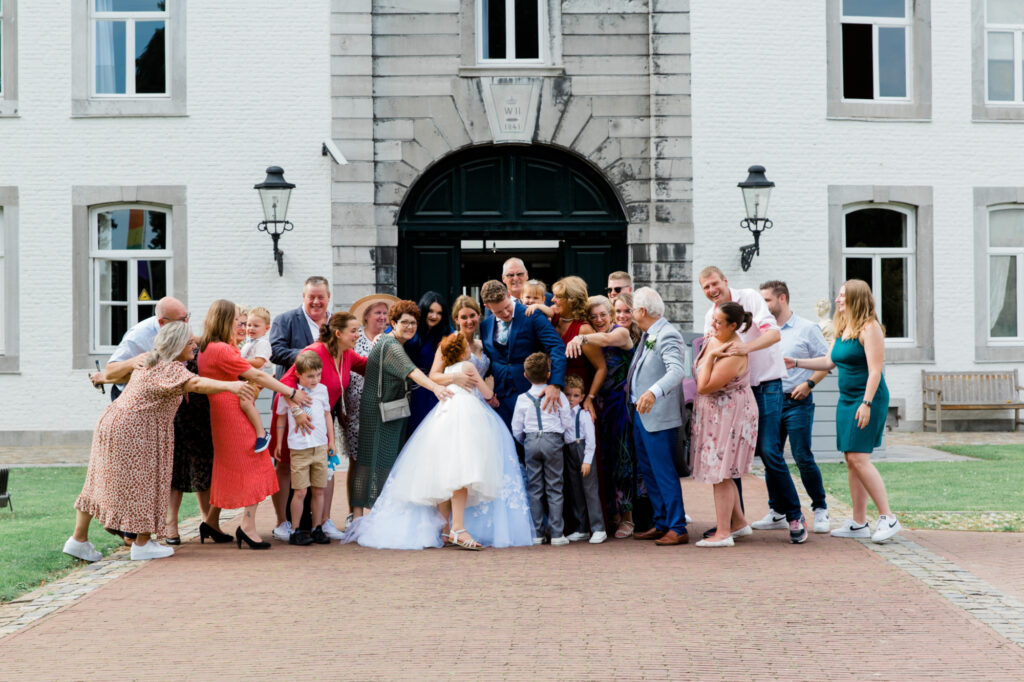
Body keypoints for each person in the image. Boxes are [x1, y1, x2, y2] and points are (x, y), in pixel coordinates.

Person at [64, 322, 256, 563]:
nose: (194, 346)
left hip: (112, 422)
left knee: (97, 480)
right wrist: (232, 385)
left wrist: (102, 377)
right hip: (138, 429)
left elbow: (120, 374)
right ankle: (143, 544)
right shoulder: (170, 368)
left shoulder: (149, 360)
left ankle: (78, 540)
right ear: (176, 347)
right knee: (147, 482)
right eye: (189, 343)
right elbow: (196, 384)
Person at [352, 333, 534, 550]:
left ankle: (445, 528)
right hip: (467, 417)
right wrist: (489, 393)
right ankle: (458, 528)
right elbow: (486, 393)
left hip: (443, 416)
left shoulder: (447, 370)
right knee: (463, 470)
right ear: (462, 351)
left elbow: (436, 378)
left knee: (445, 471)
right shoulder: (467, 367)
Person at [699, 266, 807, 544]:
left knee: (770, 451)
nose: (711, 290)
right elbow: (709, 351)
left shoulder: (750, 298)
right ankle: (737, 522)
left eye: (714, 284)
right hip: (734, 391)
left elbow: (774, 335)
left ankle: (795, 515)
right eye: (705, 287)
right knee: (729, 457)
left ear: (725, 281)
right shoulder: (710, 316)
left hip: (766, 385)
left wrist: (745, 348)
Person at [786, 279, 900, 544]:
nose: (837, 300)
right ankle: (858, 522)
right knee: (851, 460)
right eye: (838, 296)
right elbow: (829, 361)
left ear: (856, 300)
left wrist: (867, 403)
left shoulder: (869, 329)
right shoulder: (843, 327)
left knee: (860, 459)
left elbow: (875, 371)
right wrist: (797, 362)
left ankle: (888, 517)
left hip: (867, 399)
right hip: (847, 399)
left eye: (842, 297)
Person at [198, 300, 313, 549]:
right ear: (225, 320)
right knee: (257, 465)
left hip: (222, 412)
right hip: (233, 414)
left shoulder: (208, 347)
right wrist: (291, 392)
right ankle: (247, 527)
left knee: (228, 467)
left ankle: (211, 521)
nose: (241, 324)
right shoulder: (223, 350)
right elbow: (258, 375)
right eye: (237, 319)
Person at [270, 311, 368, 542]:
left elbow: (369, 366)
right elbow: (285, 384)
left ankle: (322, 522)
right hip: (294, 420)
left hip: (320, 424)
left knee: (324, 470)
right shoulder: (314, 352)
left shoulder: (347, 355)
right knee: (284, 466)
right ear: (338, 333)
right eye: (353, 331)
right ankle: (282, 523)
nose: (357, 335)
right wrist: (297, 411)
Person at [350, 300, 453, 517]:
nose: (409, 327)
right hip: (381, 410)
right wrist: (436, 387)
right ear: (393, 323)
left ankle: (362, 515)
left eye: (413, 323)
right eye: (404, 322)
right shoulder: (391, 345)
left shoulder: (392, 341)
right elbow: (411, 371)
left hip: (385, 408)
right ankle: (371, 514)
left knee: (372, 461)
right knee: (380, 461)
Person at [761, 280, 831, 533]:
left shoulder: (807, 328)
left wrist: (809, 384)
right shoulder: (763, 330)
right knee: (771, 456)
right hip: (770, 400)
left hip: (797, 400)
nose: (763, 304)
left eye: (767, 300)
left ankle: (820, 508)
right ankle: (777, 511)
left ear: (782, 299)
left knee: (802, 455)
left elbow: (827, 362)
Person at [566, 295, 636, 538]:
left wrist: (580, 336)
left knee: (623, 460)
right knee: (602, 459)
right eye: (593, 316)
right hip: (598, 404)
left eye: (603, 315)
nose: (598, 320)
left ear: (612, 314)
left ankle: (628, 518)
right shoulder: (591, 338)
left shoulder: (621, 333)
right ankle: (611, 514)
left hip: (620, 405)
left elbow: (608, 339)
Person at [691, 303, 759, 548]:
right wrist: (710, 350)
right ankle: (738, 523)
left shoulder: (734, 352)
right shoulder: (715, 338)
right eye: (713, 320)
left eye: (719, 322)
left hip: (731, 415)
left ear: (733, 326)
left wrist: (709, 356)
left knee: (722, 473)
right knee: (721, 470)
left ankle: (723, 532)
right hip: (714, 414)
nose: (713, 325)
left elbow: (704, 386)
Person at [627, 287, 688, 546]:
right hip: (641, 416)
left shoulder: (667, 334)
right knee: (649, 472)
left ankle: (677, 526)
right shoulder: (648, 334)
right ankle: (661, 522)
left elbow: (677, 371)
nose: (630, 313)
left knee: (663, 472)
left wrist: (653, 392)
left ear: (641, 311)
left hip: (658, 416)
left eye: (632, 309)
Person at [479, 280, 567, 429]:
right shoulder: (485, 326)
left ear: (508, 294)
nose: (505, 313)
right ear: (487, 307)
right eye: (499, 312)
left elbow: (556, 347)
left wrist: (555, 384)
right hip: (499, 397)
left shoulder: (533, 315)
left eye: (507, 307)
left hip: (531, 392)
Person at [341, 293, 398, 525]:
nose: (382, 317)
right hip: (357, 408)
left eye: (385, 313)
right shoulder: (356, 340)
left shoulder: (392, 340)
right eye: (378, 313)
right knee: (358, 461)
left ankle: (379, 511)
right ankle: (355, 513)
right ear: (366, 317)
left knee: (382, 461)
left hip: (385, 408)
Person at [512, 352, 574, 546]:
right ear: (549, 374)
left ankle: (538, 533)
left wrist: (525, 440)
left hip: (531, 441)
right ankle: (556, 534)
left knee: (535, 488)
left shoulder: (522, 398)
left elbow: (516, 428)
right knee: (555, 486)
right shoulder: (559, 395)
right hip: (553, 440)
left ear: (525, 375)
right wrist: (560, 435)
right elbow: (567, 421)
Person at [274, 350, 334, 546]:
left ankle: (317, 527)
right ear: (298, 374)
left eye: (318, 374)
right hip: (299, 448)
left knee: (319, 489)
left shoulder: (322, 390)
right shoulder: (290, 394)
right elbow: (281, 417)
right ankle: (295, 529)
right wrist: (279, 442)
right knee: (300, 491)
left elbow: (327, 415)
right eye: (310, 376)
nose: (315, 379)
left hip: (320, 446)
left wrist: (331, 441)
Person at [90, 296, 190, 401]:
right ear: (162, 322)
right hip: (130, 398)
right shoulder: (137, 336)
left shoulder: (178, 327)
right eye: (181, 320)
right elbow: (110, 371)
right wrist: (132, 362)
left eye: (187, 317)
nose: (186, 323)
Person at [549, 276, 606, 421]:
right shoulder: (553, 320)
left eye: (558, 296)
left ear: (572, 300)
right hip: (556, 391)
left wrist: (589, 398)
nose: (552, 300)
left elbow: (601, 368)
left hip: (577, 393)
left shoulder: (583, 329)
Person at [563, 375, 606, 544]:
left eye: (575, 396)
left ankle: (598, 528)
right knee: (575, 491)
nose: (571, 399)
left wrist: (587, 460)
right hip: (569, 451)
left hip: (582, 451)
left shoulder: (583, 414)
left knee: (590, 490)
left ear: (582, 397)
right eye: (568, 395)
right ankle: (581, 528)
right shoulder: (563, 413)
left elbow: (591, 440)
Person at [405, 291, 451, 433]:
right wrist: (382, 335)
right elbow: (394, 334)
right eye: (430, 311)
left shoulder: (447, 332)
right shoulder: (411, 326)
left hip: (431, 389)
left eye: (439, 313)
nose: (434, 316)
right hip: (407, 387)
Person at [270, 275, 332, 379]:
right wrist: (307, 355)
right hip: (293, 391)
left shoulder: (336, 322)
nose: (316, 302)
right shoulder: (284, 320)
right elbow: (274, 352)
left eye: (321, 297)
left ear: (328, 297)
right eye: (311, 297)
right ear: (304, 296)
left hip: (329, 393)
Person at [240, 306, 274, 452]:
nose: (250, 328)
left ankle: (262, 432)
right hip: (244, 380)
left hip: (253, 380)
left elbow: (260, 362)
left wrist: (239, 362)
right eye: (248, 325)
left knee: (246, 403)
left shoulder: (263, 344)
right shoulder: (249, 343)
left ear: (266, 328)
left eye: (256, 325)